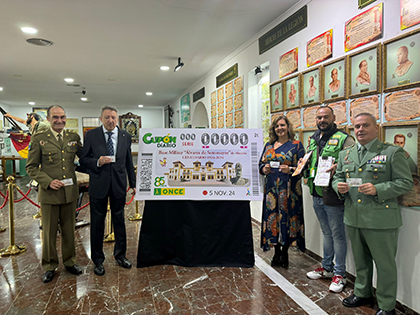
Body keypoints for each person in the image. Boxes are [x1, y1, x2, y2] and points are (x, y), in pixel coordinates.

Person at [332, 113, 413, 315]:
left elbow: (405, 182)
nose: (360, 130)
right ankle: (363, 293)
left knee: (384, 265)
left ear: (375, 128)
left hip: (381, 218)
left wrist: (379, 189)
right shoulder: (346, 154)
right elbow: (338, 177)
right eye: (357, 126)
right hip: (354, 216)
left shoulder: (392, 152)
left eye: (365, 125)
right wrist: (338, 186)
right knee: (361, 261)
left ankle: (386, 306)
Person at [26, 105, 83, 283]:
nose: (60, 120)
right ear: (48, 119)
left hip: (69, 193)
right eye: (55, 117)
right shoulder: (39, 139)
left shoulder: (73, 137)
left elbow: (85, 158)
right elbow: (31, 167)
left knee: (69, 230)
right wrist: (48, 181)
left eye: (62, 117)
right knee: (49, 232)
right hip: (50, 194)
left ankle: (69, 262)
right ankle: (50, 266)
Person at [303, 106, 355, 293]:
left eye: (325, 117)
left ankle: (340, 274)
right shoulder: (313, 138)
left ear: (334, 117)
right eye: (319, 117)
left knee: (337, 234)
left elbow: (353, 162)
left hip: (334, 194)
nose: (322, 120)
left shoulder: (344, 138)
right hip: (316, 191)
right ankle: (327, 268)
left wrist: (339, 167)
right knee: (326, 232)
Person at [80, 105, 136, 276]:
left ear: (117, 119)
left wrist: (132, 184)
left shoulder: (125, 135)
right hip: (99, 184)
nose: (111, 120)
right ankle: (98, 260)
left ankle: (121, 256)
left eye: (113, 117)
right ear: (101, 119)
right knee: (97, 223)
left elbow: (128, 162)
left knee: (119, 221)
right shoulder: (91, 135)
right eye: (107, 117)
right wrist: (97, 161)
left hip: (118, 185)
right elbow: (83, 159)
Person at [259, 115, 305, 268]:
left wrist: (290, 169)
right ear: (274, 129)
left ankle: (284, 252)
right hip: (272, 192)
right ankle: (276, 251)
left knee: (287, 219)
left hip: (289, 191)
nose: (280, 128)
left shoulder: (297, 146)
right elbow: (261, 165)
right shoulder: (268, 146)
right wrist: (263, 169)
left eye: (282, 125)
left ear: (288, 127)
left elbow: (303, 169)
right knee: (273, 220)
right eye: (277, 126)